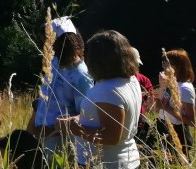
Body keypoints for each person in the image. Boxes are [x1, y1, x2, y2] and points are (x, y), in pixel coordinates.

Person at [56, 30, 141, 169]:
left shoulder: (107, 90)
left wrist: (74, 129)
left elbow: (111, 136)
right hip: (126, 160)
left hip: (107, 163)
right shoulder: (130, 80)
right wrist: (79, 118)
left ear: (96, 59)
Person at [34, 28, 93, 166]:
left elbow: (86, 113)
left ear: (62, 43)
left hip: (62, 142)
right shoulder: (55, 63)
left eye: (50, 41)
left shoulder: (80, 74)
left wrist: (58, 128)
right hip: (43, 137)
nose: (46, 45)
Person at [155, 48, 196, 159]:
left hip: (178, 133)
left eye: (167, 63)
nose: (163, 66)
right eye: (163, 63)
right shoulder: (169, 83)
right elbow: (157, 108)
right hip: (162, 127)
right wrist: (162, 86)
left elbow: (192, 122)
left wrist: (168, 109)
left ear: (177, 67)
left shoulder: (185, 88)